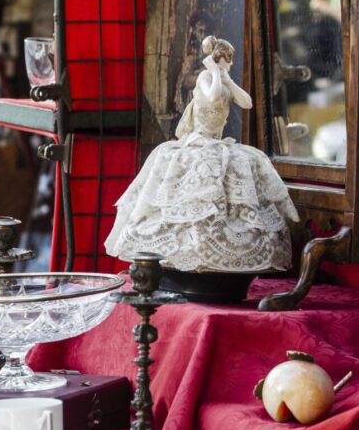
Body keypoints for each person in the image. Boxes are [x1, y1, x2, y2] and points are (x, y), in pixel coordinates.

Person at [106, 36, 299, 273]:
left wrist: (227, 78)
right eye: (227, 61)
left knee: (248, 162)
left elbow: (247, 102)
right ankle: (187, 255)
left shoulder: (223, 78)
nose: (230, 65)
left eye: (229, 62)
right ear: (219, 59)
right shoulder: (205, 77)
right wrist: (214, 72)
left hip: (217, 142)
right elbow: (212, 96)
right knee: (196, 193)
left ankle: (222, 255)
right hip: (197, 141)